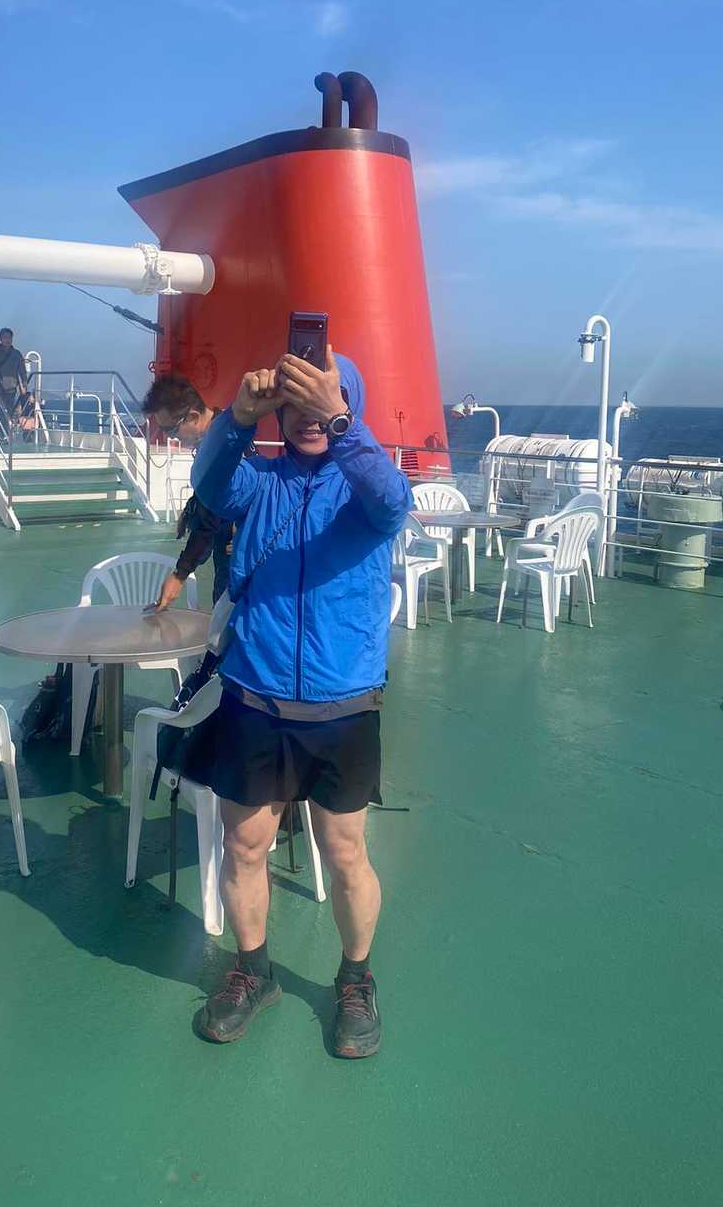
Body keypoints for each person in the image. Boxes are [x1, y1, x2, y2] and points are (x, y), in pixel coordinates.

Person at [185, 345, 411, 1059]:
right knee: (244, 844)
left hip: (344, 707)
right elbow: (209, 483)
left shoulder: (365, 490)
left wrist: (341, 424)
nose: (308, 413)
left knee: (344, 852)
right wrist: (236, 419)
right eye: (296, 400)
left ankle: (355, 978)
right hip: (256, 698)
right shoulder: (259, 484)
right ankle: (253, 970)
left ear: (347, 406)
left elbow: (394, 501)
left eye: (324, 398)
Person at [142, 375, 246, 609]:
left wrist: (180, 574)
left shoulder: (222, 445)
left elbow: (210, 520)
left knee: (227, 619)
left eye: (171, 430)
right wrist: (193, 507)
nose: (170, 437)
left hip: (239, 553)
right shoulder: (225, 430)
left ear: (193, 417)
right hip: (232, 545)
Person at [0, 329, 28, 436]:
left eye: (9, 337)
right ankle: (4, 435)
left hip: (11, 388)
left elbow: (22, 370)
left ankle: (5, 435)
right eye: (5, 337)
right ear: (0, 339)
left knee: (9, 412)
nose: (7, 340)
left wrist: (24, 384)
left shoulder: (16, 354)